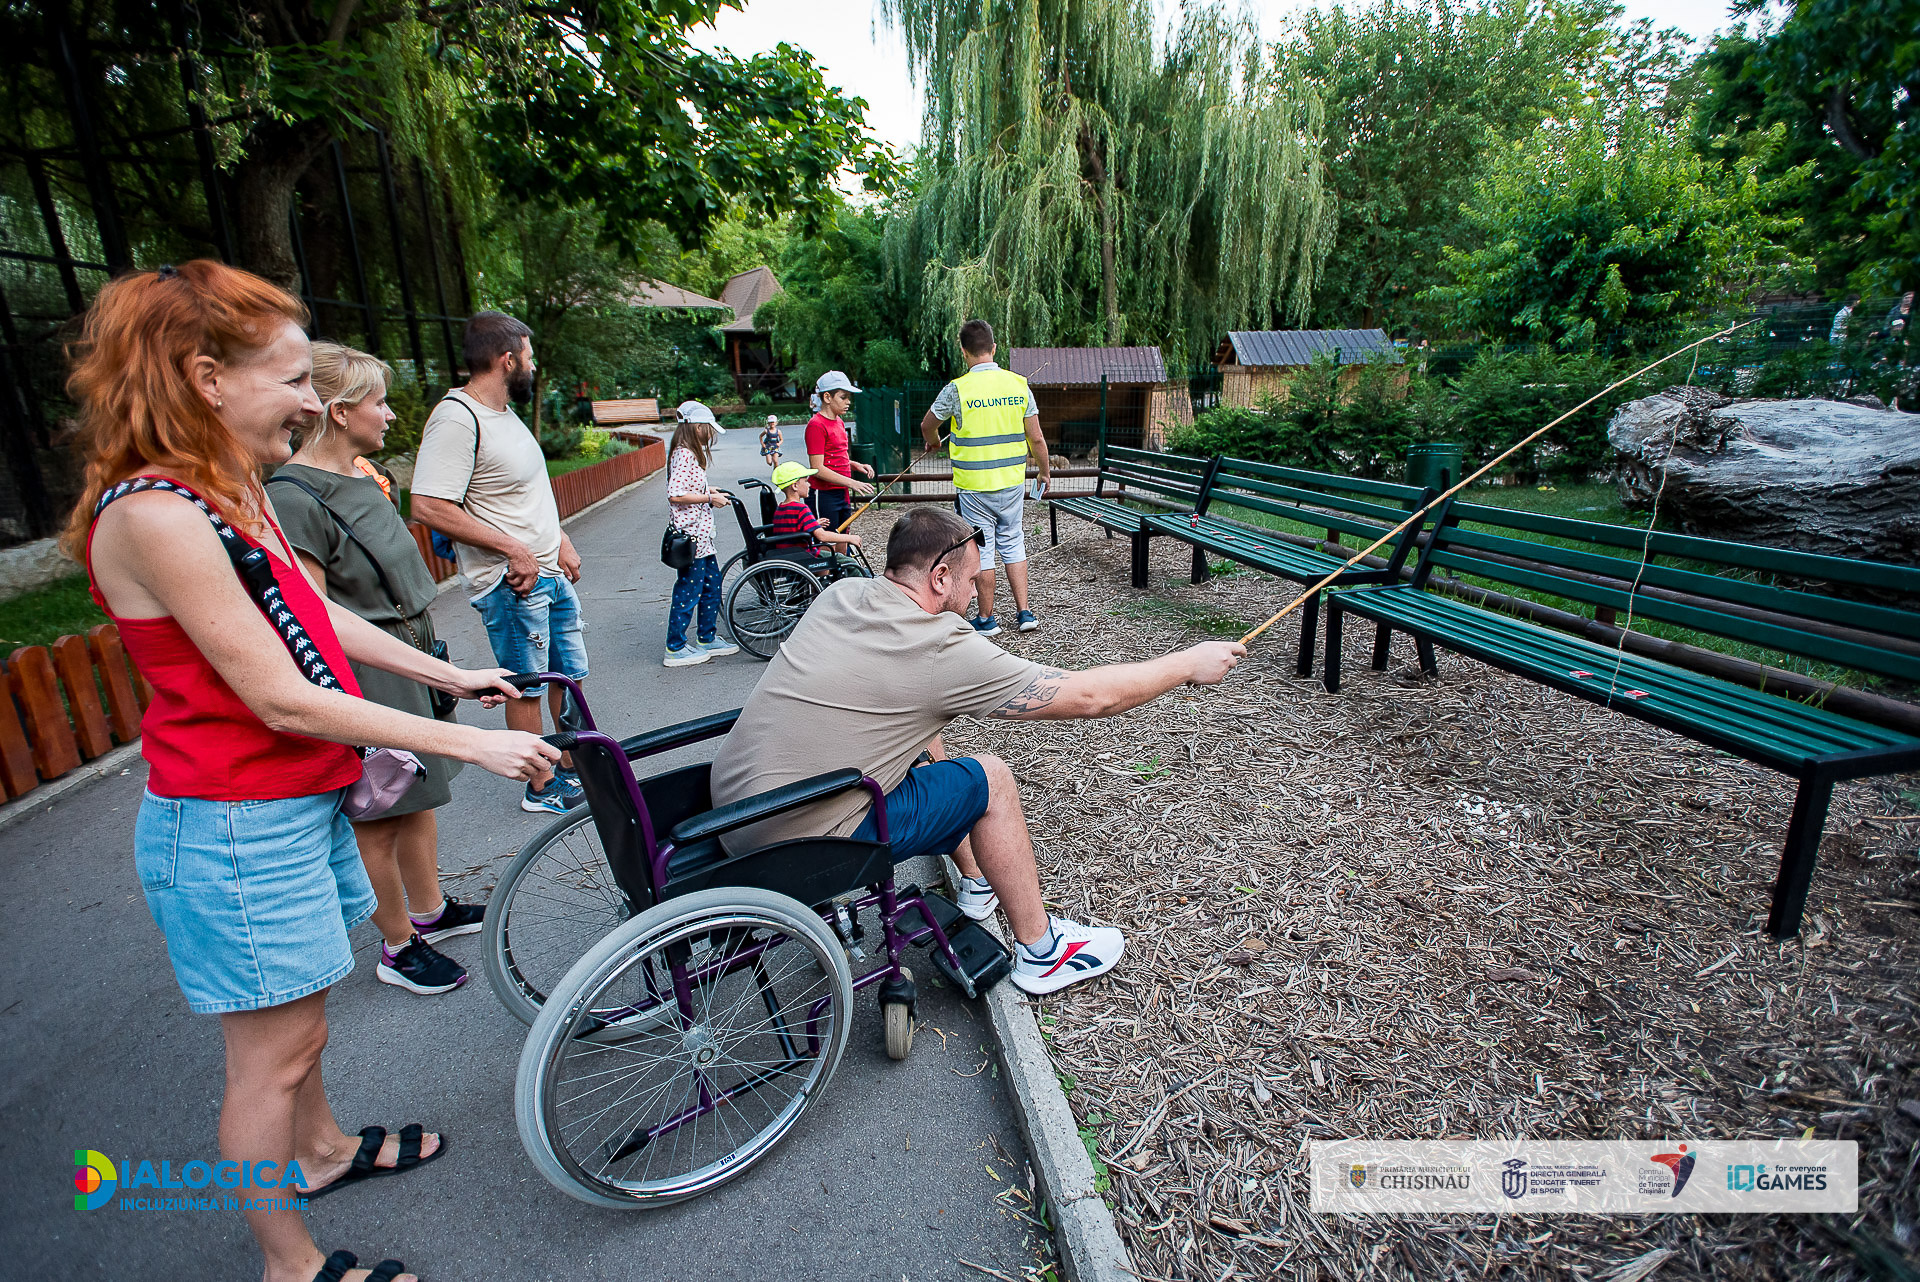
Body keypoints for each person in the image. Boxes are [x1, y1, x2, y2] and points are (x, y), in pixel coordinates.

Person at [67, 261, 558, 1282]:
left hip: (293, 800)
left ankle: (323, 1151)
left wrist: (451, 675)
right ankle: (288, 1265)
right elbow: (277, 695)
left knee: (302, 1027)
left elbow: (309, 610)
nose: (311, 400)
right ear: (206, 378)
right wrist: (470, 741)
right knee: (270, 1057)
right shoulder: (155, 513)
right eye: (292, 379)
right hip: (233, 822)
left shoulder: (226, 486)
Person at [708, 507, 1244, 995]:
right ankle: (1043, 952)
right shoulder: (939, 646)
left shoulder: (842, 595)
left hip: (732, 812)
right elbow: (1091, 698)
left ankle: (977, 881)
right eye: (971, 579)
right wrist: (1185, 664)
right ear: (940, 577)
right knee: (991, 779)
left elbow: (912, 714)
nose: (976, 590)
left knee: (934, 751)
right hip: (801, 840)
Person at [271, 341, 485, 997]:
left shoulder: (365, 474)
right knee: (380, 809)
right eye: (379, 402)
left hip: (410, 647)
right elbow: (312, 614)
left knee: (420, 793)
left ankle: (430, 909)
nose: (390, 415)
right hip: (368, 668)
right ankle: (397, 944)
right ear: (339, 412)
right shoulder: (295, 496)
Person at [410, 311, 587, 815]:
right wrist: (514, 549)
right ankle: (541, 784)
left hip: (548, 573)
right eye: (530, 357)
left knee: (569, 674)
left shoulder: (503, 415)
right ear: (508, 360)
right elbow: (428, 505)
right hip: (512, 584)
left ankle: (571, 761)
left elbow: (524, 493)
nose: (534, 366)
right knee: (526, 686)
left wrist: (560, 538)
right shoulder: (456, 418)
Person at [920, 319, 1051, 636]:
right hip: (1011, 483)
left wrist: (934, 442)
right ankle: (1025, 613)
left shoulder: (957, 389)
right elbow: (1036, 438)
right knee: (1014, 542)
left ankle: (987, 619)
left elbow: (927, 425)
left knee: (984, 548)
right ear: (993, 348)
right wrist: (1044, 471)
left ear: (963, 351)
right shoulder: (1018, 385)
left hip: (975, 487)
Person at [664, 401, 740, 668]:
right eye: (709, 429)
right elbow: (675, 493)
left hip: (702, 537)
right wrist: (709, 498)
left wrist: (710, 490)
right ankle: (675, 647)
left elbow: (689, 486)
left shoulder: (687, 454)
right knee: (689, 590)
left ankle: (707, 637)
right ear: (698, 427)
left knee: (711, 585)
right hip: (692, 538)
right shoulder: (684, 454)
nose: (711, 434)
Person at [805, 370, 875, 532]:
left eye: (849, 397)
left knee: (843, 536)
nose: (848, 402)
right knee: (827, 540)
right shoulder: (816, 425)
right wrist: (852, 482)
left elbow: (835, 457)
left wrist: (855, 465)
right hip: (824, 493)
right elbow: (817, 468)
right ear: (827, 397)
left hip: (841, 491)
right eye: (843, 397)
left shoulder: (839, 422)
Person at [767, 460, 864, 570]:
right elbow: (822, 536)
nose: (809, 484)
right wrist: (850, 538)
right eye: (806, 481)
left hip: (789, 555)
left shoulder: (781, 508)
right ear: (795, 486)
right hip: (806, 555)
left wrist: (814, 525)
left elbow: (791, 530)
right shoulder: (801, 509)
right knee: (848, 562)